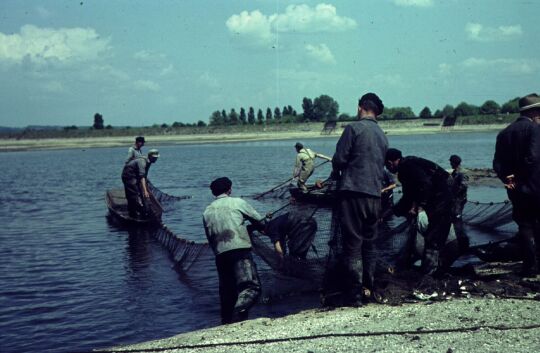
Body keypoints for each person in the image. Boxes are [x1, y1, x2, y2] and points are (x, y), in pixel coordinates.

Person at [330, 92, 388, 306]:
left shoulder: (353, 128)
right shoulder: (382, 135)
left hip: (353, 194)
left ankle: (354, 296)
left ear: (361, 107)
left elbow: (339, 160)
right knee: (370, 244)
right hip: (375, 197)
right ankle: (369, 288)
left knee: (353, 245)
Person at [203, 177, 266, 324]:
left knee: (228, 292)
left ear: (213, 193)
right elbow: (259, 221)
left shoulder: (207, 211)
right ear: (229, 189)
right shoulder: (237, 202)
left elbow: (209, 236)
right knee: (251, 287)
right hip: (239, 251)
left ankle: (226, 321)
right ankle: (238, 314)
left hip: (220, 255)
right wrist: (262, 226)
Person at [493, 93, 540, 276]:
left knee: (525, 226)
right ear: (534, 111)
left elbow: (497, 164)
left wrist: (508, 179)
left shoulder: (504, 133)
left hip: (516, 190)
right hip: (536, 187)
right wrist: (521, 176)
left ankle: (529, 267)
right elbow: (533, 157)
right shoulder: (535, 129)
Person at [386, 148, 453, 276]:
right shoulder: (409, 165)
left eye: (387, 165)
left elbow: (425, 184)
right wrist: (393, 211)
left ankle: (430, 273)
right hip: (442, 197)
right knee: (435, 236)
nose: (388, 169)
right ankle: (434, 268)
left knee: (434, 236)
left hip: (441, 199)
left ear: (390, 162)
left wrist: (419, 205)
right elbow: (408, 196)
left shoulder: (407, 166)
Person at [121, 149, 159, 219]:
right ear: (150, 156)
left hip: (135, 175)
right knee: (134, 193)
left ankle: (141, 210)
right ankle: (133, 212)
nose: (155, 159)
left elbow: (144, 175)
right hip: (128, 175)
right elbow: (142, 177)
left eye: (156, 158)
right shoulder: (142, 162)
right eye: (154, 158)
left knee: (140, 191)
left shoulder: (149, 161)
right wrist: (145, 190)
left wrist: (145, 186)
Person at [449, 154, 470, 252]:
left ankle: (463, 242)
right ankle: (459, 240)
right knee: (455, 219)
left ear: (454, 162)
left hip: (459, 200)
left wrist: (454, 192)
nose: (450, 164)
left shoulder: (462, 173)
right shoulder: (455, 172)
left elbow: (464, 186)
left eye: (451, 162)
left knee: (457, 219)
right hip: (454, 200)